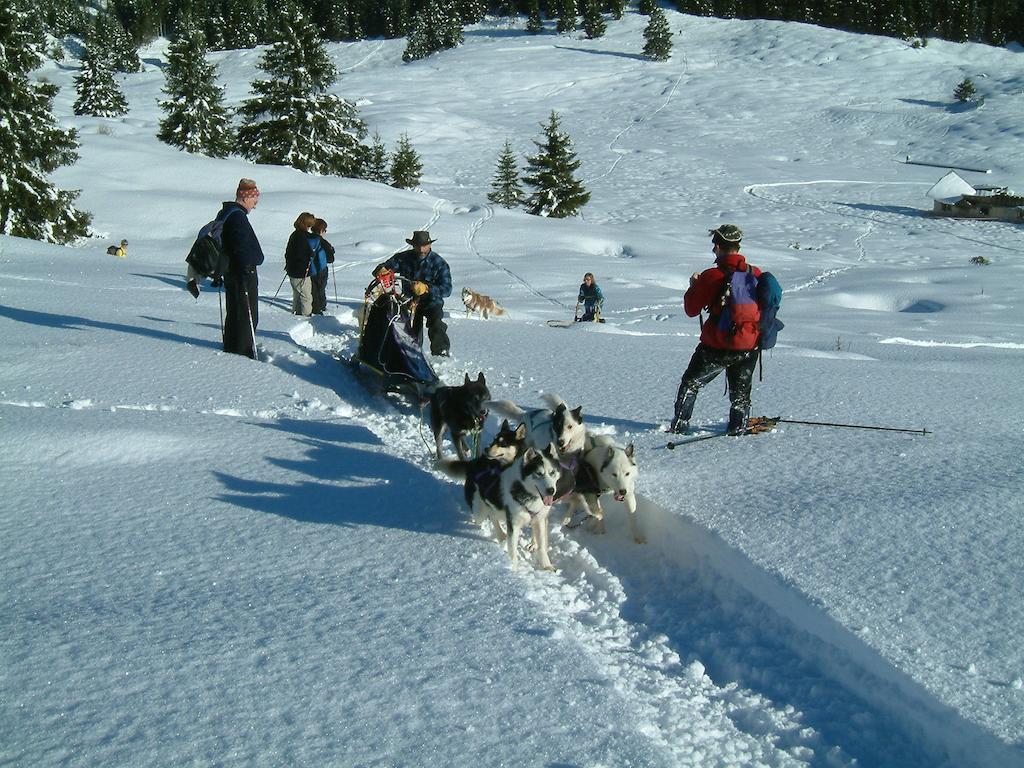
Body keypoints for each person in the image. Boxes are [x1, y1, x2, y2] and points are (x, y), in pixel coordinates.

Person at [670, 224, 763, 436]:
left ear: (719, 246)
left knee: (691, 383)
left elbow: (691, 309)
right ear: (738, 247)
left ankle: (679, 426)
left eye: (715, 246)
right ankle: (737, 428)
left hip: (719, 343)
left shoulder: (712, 276)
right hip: (750, 341)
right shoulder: (755, 273)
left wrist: (694, 286)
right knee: (740, 394)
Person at [372, 230, 452, 356]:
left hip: (432, 301)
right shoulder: (403, 258)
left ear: (430, 245)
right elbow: (387, 266)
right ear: (413, 245)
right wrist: (381, 270)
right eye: (417, 245)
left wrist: (427, 288)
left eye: (424, 245)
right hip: (409, 301)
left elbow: (447, 289)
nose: (421, 249)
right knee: (408, 328)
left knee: (436, 324)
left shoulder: (440, 264)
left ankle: (441, 353)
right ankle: (409, 354)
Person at [220, 178, 265, 359]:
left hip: (233, 272)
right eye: (254, 201)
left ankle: (234, 347)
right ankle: (243, 351)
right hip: (242, 273)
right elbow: (241, 247)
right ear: (245, 198)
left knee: (236, 312)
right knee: (245, 315)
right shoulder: (237, 217)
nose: (254, 206)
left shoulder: (227, 213)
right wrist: (252, 261)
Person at [285, 212, 316, 316]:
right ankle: (305, 318)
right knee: (306, 297)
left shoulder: (295, 234)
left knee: (298, 296)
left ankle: (296, 315)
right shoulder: (301, 237)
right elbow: (300, 254)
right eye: (309, 225)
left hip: (293, 270)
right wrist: (310, 253)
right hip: (300, 271)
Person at [309, 218, 335, 315]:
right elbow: (331, 259)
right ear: (321, 231)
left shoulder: (307, 238)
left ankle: (314, 306)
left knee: (313, 289)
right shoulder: (322, 242)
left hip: (310, 269)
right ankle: (321, 307)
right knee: (321, 289)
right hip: (321, 269)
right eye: (325, 230)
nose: (325, 232)